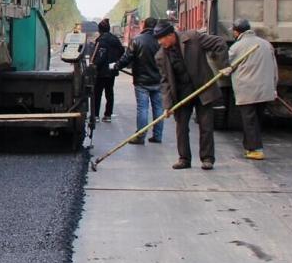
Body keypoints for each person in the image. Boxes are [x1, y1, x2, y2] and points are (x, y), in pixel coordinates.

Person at [154, 21, 228, 170]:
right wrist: (168, 105)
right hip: (181, 95)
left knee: (206, 126)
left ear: (170, 35)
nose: (160, 42)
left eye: (162, 38)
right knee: (181, 128)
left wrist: (223, 66)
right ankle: (184, 159)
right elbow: (165, 82)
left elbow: (219, 43)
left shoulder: (192, 38)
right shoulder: (160, 56)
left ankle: (207, 158)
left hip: (203, 90)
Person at [225, 18, 278, 160]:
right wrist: (274, 87)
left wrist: (226, 69)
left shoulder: (237, 47)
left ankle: (255, 150)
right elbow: (274, 68)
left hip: (247, 90)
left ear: (237, 32)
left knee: (249, 121)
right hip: (265, 91)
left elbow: (227, 64)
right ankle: (250, 147)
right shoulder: (266, 44)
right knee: (257, 120)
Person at [113, 16, 164, 145]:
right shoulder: (161, 40)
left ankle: (140, 136)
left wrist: (116, 66)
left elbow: (127, 58)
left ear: (144, 25)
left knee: (143, 109)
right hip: (158, 81)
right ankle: (157, 136)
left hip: (141, 82)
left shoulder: (137, 40)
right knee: (158, 108)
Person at [90, 18, 124, 123]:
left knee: (97, 93)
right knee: (109, 93)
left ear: (100, 30)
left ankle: (95, 115)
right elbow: (122, 50)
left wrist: (94, 65)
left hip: (101, 72)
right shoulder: (115, 39)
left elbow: (100, 57)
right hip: (111, 71)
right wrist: (115, 61)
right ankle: (108, 115)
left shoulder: (101, 41)